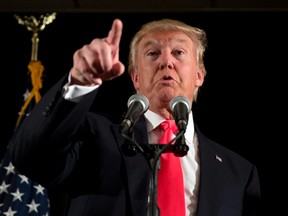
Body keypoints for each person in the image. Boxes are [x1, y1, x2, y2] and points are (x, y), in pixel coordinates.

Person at [9, 18, 261, 216]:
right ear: (136, 78)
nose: (166, 61)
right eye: (152, 53)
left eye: (179, 53)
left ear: (199, 75)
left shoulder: (238, 171)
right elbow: (30, 156)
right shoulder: (94, 139)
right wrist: (79, 83)